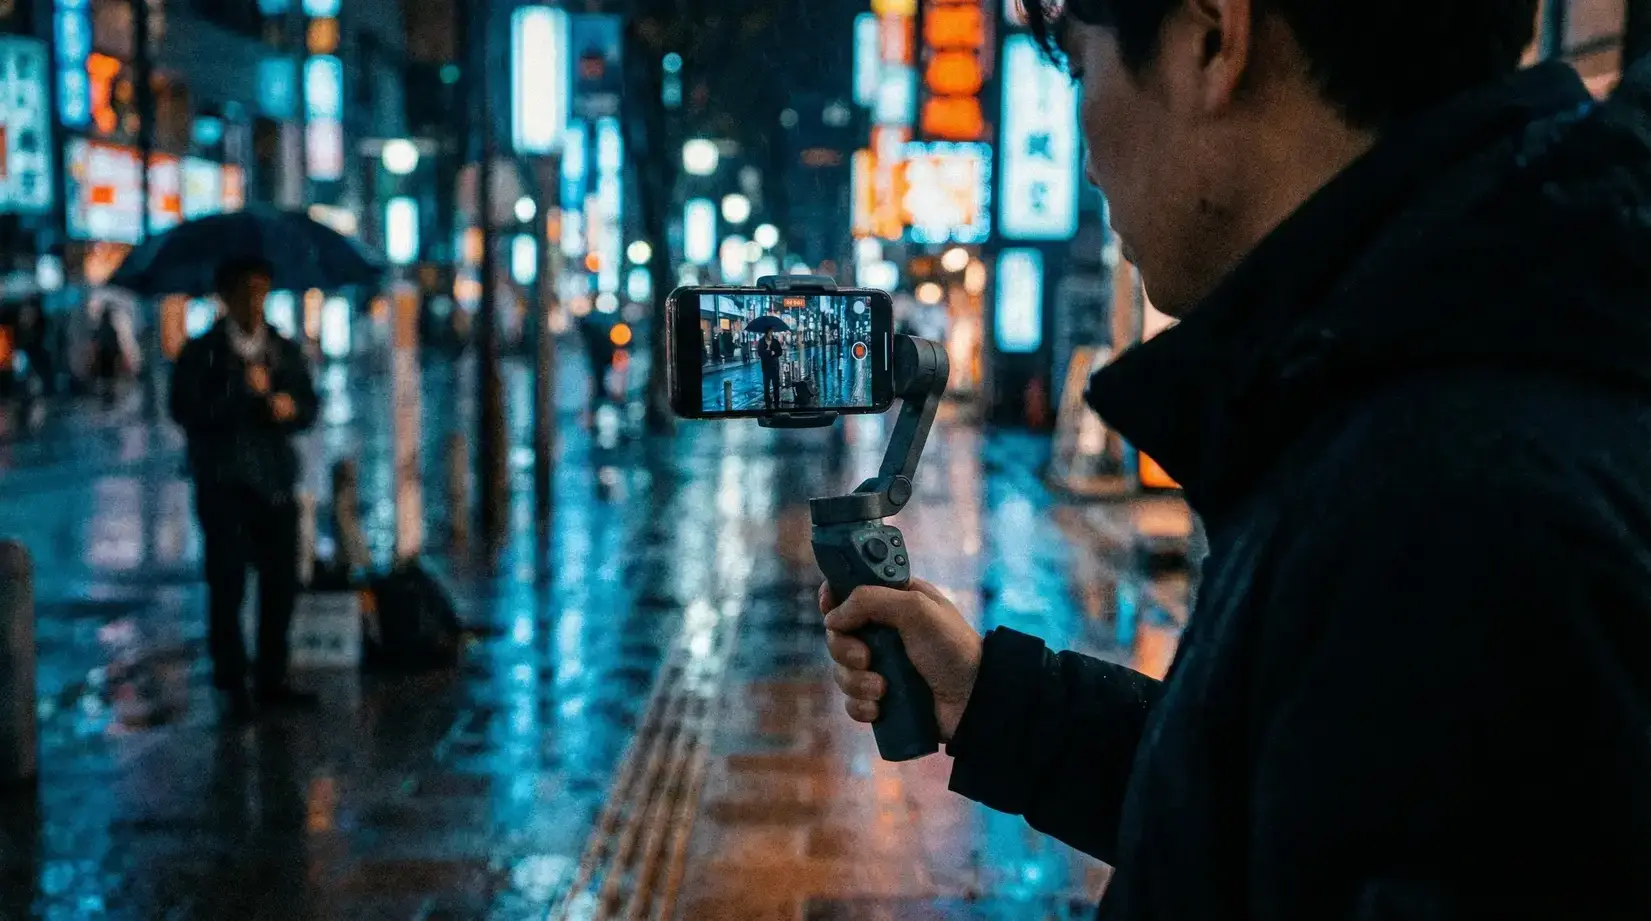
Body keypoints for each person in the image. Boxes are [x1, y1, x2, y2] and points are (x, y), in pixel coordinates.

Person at [823, 2, 1651, 918]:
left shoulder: (1444, 511)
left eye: (1076, 65)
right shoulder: (1448, 368)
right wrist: (996, 701)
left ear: (1211, 40)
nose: (1085, 145)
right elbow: (1293, 807)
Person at [170, 257, 319, 719]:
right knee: (227, 584)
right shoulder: (202, 352)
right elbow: (185, 411)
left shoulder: (281, 349)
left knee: (280, 585)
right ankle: (233, 681)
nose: (253, 302)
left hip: (276, 483)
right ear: (226, 297)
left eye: (261, 290)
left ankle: (273, 675)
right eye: (244, 292)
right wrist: (242, 393)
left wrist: (286, 406)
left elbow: (309, 406)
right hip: (225, 484)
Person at [756, 329, 784, 407]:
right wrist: (768, 352)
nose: (771, 333)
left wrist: (774, 353)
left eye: (772, 332)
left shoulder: (775, 341)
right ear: (766, 333)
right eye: (769, 332)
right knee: (766, 386)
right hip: (766, 366)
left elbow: (780, 352)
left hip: (775, 366)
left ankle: (776, 402)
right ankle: (768, 403)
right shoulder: (761, 341)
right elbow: (760, 353)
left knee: (776, 385)